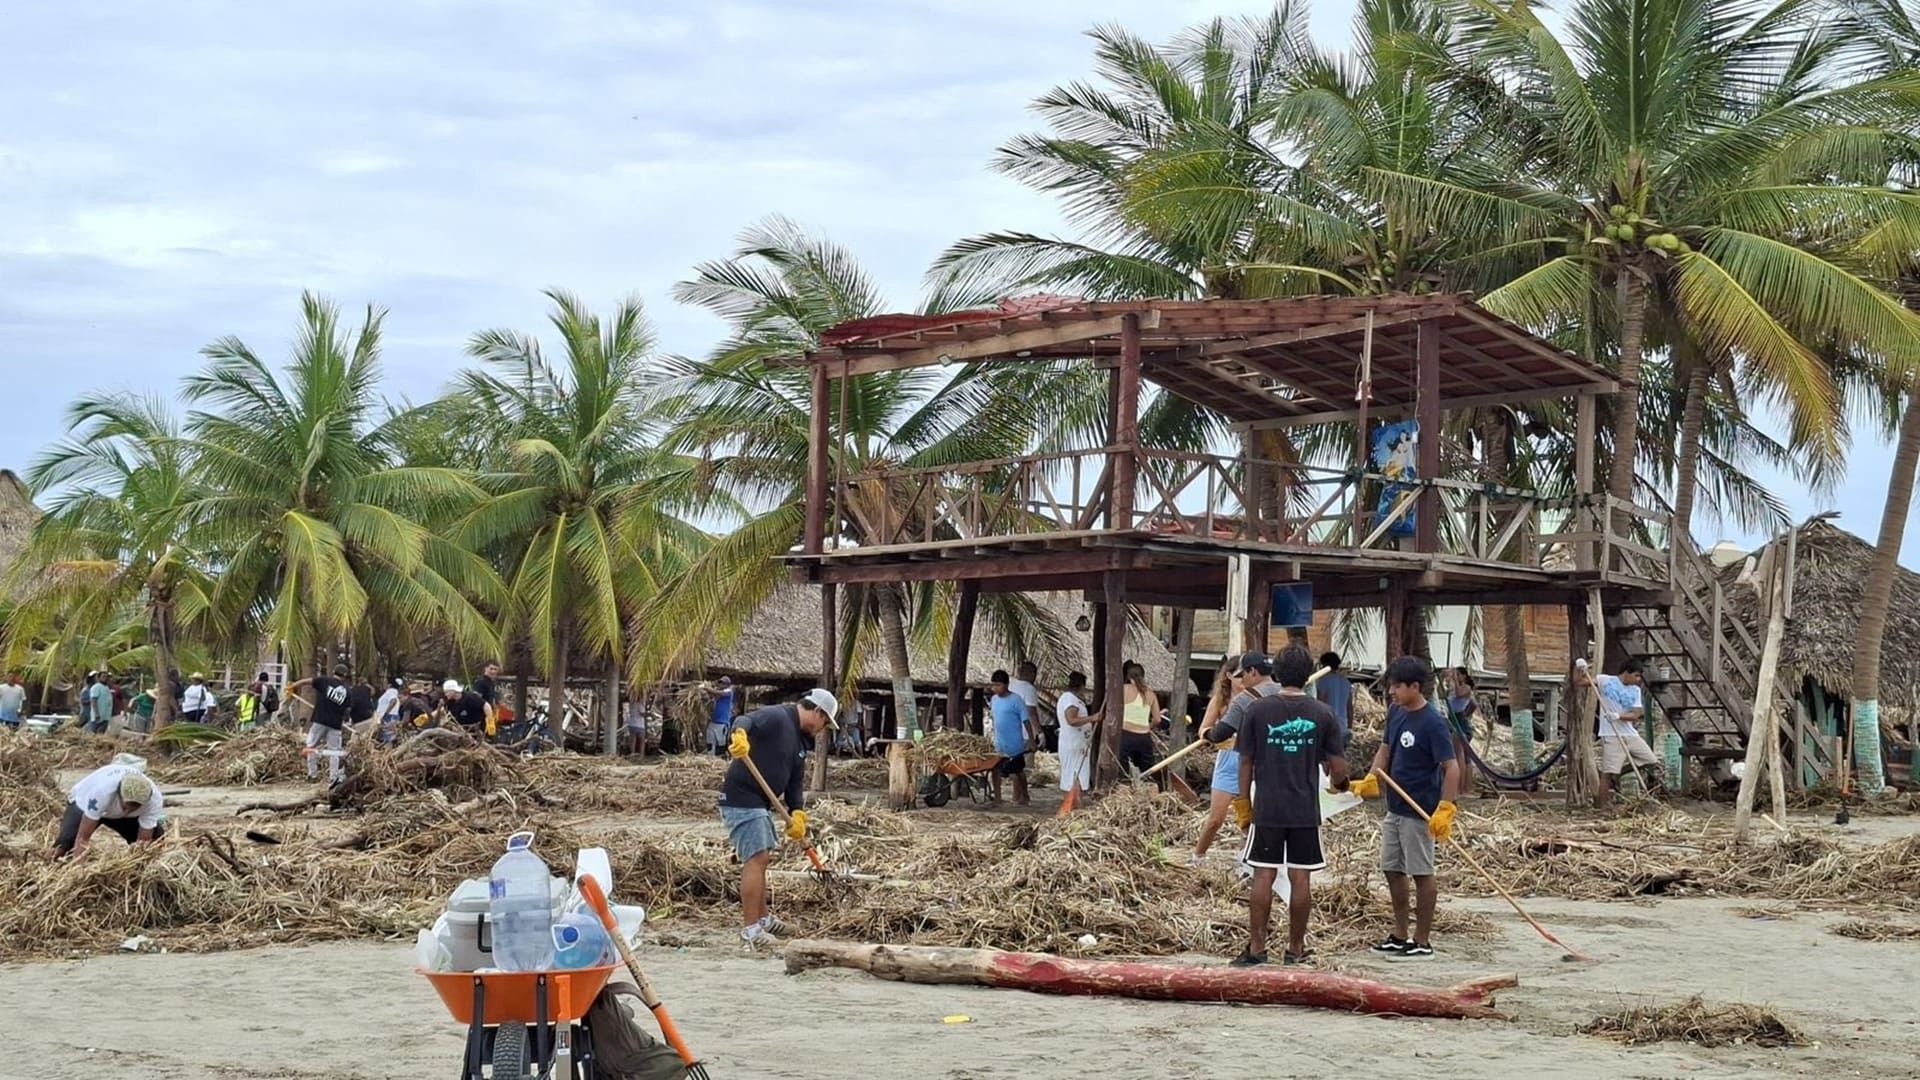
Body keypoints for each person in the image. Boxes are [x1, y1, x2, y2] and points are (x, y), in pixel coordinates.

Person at [1233, 646, 1349, 966]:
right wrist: (1342, 785)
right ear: (1308, 674)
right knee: (1301, 878)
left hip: (1267, 808)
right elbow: (1338, 768)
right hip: (1304, 810)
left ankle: (1257, 949)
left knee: (1263, 874)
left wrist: (1243, 802)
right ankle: (1295, 950)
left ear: (1277, 674)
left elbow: (1245, 762)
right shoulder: (1323, 714)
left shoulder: (1257, 710)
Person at [1349, 655, 1460, 961]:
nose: (1392, 692)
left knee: (1421, 873)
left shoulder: (1434, 722)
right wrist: (1372, 777)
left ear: (1415, 687)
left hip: (1420, 810)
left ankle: (1422, 940)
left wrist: (1445, 808)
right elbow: (1385, 749)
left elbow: (1451, 768)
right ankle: (1400, 934)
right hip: (1395, 807)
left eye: (1397, 686)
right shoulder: (1396, 713)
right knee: (1392, 869)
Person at [720, 688, 838, 948]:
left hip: (760, 803)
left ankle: (763, 920)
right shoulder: (778, 716)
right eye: (825, 723)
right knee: (757, 858)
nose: (823, 729)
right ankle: (751, 930)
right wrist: (740, 734)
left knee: (762, 859)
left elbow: (795, 782)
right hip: (742, 797)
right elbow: (745, 720)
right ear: (818, 712)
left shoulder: (800, 741)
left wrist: (797, 813)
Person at [1191, 652, 1282, 865]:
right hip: (1229, 761)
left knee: (1250, 818)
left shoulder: (1267, 695)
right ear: (1229, 676)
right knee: (1216, 819)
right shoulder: (1224, 700)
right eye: (1238, 676)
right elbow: (1206, 730)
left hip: (1255, 761)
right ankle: (1197, 856)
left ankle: (1245, 860)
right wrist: (1212, 736)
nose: (1242, 680)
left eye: (1244, 675)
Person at [1578, 658, 1663, 808]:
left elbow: (1636, 714)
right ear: (1626, 673)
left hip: (1630, 734)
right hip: (1611, 735)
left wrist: (1619, 716)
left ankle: (1619, 774)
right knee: (1608, 772)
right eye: (1636, 675)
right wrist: (1580, 669)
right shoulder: (1605, 681)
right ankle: (1602, 806)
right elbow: (1580, 682)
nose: (1638, 680)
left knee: (1650, 759)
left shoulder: (1635, 690)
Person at [53, 761, 166, 860]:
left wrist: (139, 863)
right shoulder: (102, 792)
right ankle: (48, 864)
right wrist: (79, 869)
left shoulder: (154, 800)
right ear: (119, 794)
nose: (129, 810)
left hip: (121, 816)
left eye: (136, 806)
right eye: (128, 805)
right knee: (63, 846)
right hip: (84, 804)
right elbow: (83, 838)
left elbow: (143, 842)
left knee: (156, 841)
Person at [288, 666, 353, 786]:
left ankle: (312, 774)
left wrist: (293, 686)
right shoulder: (347, 691)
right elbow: (348, 709)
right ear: (344, 676)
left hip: (320, 721)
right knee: (334, 751)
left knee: (311, 746)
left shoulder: (324, 681)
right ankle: (333, 777)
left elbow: (307, 681)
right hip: (336, 724)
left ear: (334, 672)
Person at [987, 670, 1041, 806]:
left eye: (998, 685)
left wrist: (1031, 739)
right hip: (999, 742)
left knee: (1017, 771)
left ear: (1006, 685)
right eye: (993, 685)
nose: (995, 688)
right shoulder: (994, 700)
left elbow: (1026, 721)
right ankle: (998, 797)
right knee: (995, 769)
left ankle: (1025, 795)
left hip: (1015, 743)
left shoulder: (1016, 700)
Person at [1118, 660, 1165, 791]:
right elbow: (1157, 719)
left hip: (1126, 735)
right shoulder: (1151, 694)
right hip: (1144, 738)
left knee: (1124, 774)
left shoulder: (1123, 689)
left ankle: (1126, 795)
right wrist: (1148, 726)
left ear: (1128, 676)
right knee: (1147, 774)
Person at [1054, 671, 1100, 795]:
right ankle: (1073, 801)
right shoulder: (1070, 699)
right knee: (1075, 775)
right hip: (1073, 744)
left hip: (1078, 743)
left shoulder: (1072, 699)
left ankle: (1076, 801)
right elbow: (1072, 720)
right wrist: (1092, 718)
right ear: (1082, 686)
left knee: (1078, 775)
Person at [1315, 652, 1353, 747]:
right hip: (1343, 729)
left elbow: (1320, 706)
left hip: (1328, 729)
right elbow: (1349, 708)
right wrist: (1350, 728)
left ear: (1325, 665)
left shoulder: (1323, 681)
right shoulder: (1346, 682)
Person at [1009, 660, 1046, 752]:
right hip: (1024, 735)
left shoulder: (1011, 685)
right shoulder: (1029, 689)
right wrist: (1040, 733)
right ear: (1031, 674)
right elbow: (1031, 713)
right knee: (1026, 759)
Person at [1445, 666, 1478, 764]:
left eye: (1458, 675)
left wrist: (1466, 714)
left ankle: (1463, 772)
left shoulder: (1466, 687)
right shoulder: (1453, 688)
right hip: (1452, 718)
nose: (1456, 677)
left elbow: (1459, 694)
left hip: (1460, 720)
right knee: (1456, 751)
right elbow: (1443, 695)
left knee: (1461, 753)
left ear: (1464, 676)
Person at [707, 677, 735, 758]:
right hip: (713, 721)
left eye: (723, 683)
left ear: (727, 684)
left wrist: (706, 687)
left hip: (722, 722)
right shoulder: (718, 693)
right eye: (720, 683)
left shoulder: (729, 691)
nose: (721, 684)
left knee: (720, 743)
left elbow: (716, 692)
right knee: (710, 741)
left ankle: (721, 759)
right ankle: (711, 758)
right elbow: (713, 694)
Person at [373, 678, 404, 742]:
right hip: (390, 716)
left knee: (388, 737)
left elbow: (393, 701)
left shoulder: (390, 691)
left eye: (385, 683)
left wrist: (386, 713)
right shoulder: (393, 692)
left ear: (389, 685)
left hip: (389, 716)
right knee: (387, 737)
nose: (384, 685)